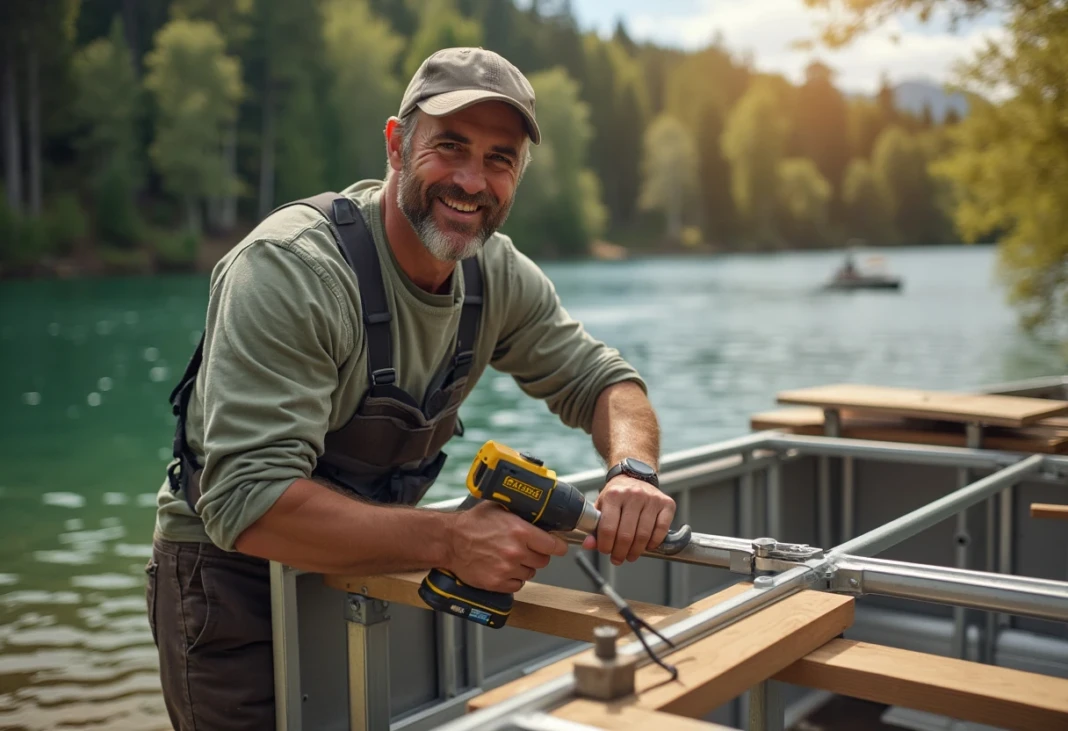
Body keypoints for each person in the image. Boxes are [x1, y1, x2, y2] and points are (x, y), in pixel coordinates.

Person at [144, 47, 676, 731]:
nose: (470, 180)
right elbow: (249, 502)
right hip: (232, 585)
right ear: (397, 144)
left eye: (498, 159)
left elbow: (605, 380)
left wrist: (633, 469)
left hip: (377, 564)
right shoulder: (292, 270)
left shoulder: (497, 277)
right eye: (449, 147)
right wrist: (453, 541)